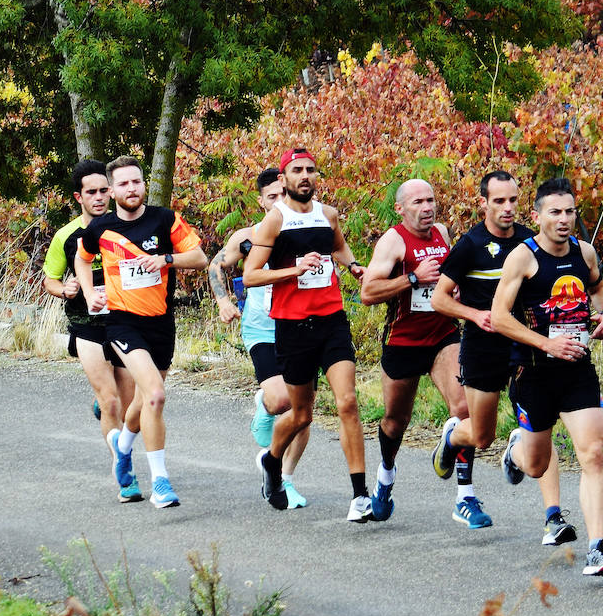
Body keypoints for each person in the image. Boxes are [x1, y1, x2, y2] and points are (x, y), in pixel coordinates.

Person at [491, 177, 603, 576]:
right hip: (533, 373)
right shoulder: (523, 257)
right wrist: (547, 344)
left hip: (577, 369)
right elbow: (499, 317)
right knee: (536, 464)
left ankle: (597, 548)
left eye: (569, 211)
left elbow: (600, 289)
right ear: (537, 216)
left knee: (593, 453)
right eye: (555, 212)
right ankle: (515, 450)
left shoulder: (584, 253)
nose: (564, 219)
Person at [431, 170, 573, 544]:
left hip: (526, 347)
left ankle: (553, 517)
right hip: (483, 348)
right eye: (499, 201)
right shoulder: (470, 245)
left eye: (513, 200)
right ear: (484, 203)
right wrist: (476, 315)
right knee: (481, 436)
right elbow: (439, 298)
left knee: (540, 423)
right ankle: (453, 436)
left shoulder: (530, 240)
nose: (508, 208)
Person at [243, 148, 370, 522]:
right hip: (292, 326)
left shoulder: (327, 214)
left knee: (347, 402)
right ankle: (271, 460)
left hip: (331, 321)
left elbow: (339, 247)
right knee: (301, 415)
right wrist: (292, 271)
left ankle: (360, 495)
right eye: (296, 170)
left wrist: (354, 265)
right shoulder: (273, 221)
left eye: (310, 170)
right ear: (283, 179)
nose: (304, 176)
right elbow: (251, 275)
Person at [75, 156, 207, 509]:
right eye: (123, 184)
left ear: (143, 184)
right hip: (122, 323)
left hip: (161, 323)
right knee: (157, 394)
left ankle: (122, 449)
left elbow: (199, 257)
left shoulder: (164, 219)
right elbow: (82, 258)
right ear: (112, 190)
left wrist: (166, 259)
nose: (131, 189)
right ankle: (160, 482)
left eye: (136, 182)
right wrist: (90, 293)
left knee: (141, 401)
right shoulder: (100, 228)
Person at [359, 179, 478, 525]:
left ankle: (465, 497)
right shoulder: (393, 241)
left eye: (430, 200)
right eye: (418, 203)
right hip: (404, 342)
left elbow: (455, 276)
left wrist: (456, 292)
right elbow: (368, 293)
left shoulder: (441, 232)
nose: (427, 208)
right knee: (396, 422)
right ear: (401, 209)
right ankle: (385, 476)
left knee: (463, 408)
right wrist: (413, 279)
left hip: (443, 335)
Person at [207, 167, 310, 507]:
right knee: (282, 401)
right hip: (261, 328)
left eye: (285, 194)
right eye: (272, 197)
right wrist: (224, 300)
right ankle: (264, 407)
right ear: (261, 201)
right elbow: (216, 265)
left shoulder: (311, 230)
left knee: (303, 410)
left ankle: (285, 479)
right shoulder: (247, 236)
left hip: (301, 327)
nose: (280, 202)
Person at [42, 159, 140, 500]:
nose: (99, 197)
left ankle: (107, 414)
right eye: (92, 192)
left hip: (126, 322)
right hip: (86, 326)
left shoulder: (127, 229)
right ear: (78, 196)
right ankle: (124, 472)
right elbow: (50, 279)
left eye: (104, 191)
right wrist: (65, 289)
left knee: (129, 409)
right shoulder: (66, 236)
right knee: (111, 402)